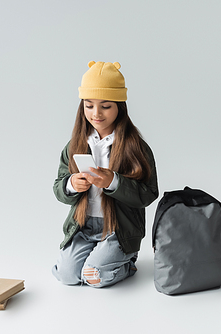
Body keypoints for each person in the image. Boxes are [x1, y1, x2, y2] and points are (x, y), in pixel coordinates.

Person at [52, 61, 159, 288]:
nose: (96, 113)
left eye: (105, 106)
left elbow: (148, 194)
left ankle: (126, 263)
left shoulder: (134, 147)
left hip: (117, 229)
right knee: (67, 276)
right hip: (84, 226)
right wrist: (71, 184)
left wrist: (114, 182)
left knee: (94, 277)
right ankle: (91, 259)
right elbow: (58, 187)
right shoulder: (75, 145)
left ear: (119, 106)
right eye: (89, 106)